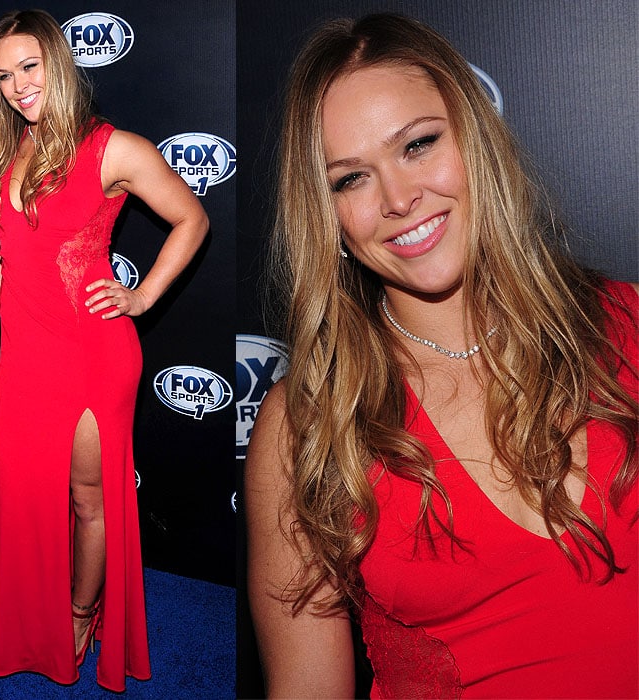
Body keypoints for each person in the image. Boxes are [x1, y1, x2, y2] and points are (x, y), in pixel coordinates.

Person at [245, 13, 637, 699]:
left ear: (474, 140)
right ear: (327, 215)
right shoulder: (308, 423)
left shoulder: (628, 322)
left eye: (418, 144)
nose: (399, 199)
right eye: (350, 180)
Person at [0, 9, 208, 692]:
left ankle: (79, 611)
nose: (18, 86)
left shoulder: (115, 149)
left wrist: (143, 296)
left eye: (30, 67)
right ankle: (42, 606)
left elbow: (192, 218)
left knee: (87, 498)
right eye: (5, 75)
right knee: (30, 494)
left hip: (91, 351)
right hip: (28, 358)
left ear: (58, 65)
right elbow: (5, 250)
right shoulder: (11, 152)